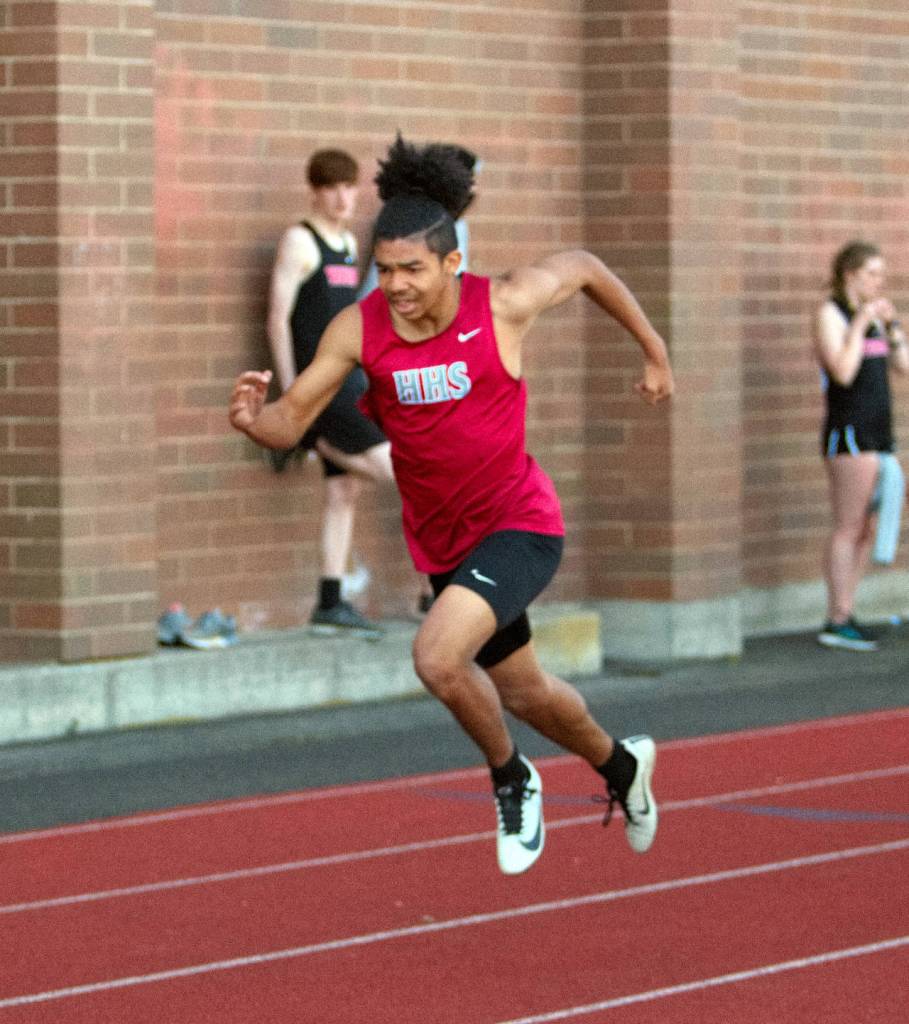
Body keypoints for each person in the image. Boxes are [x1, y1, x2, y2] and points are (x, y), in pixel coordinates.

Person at [232, 137, 674, 875]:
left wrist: (654, 352)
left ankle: (512, 777)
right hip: (443, 542)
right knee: (527, 691)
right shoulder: (358, 329)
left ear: (450, 263)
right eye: (383, 271)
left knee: (437, 659)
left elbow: (587, 269)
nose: (396, 286)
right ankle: (621, 767)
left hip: (518, 524)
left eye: (411, 270)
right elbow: (294, 416)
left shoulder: (501, 304)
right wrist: (256, 420)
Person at [266, 148, 390, 637]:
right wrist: (292, 395)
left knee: (343, 491)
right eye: (333, 188)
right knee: (393, 467)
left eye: (349, 187)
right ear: (315, 192)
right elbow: (277, 319)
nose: (343, 198)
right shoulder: (300, 241)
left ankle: (330, 601)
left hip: (349, 380)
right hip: (319, 386)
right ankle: (311, 438)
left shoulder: (346, 244)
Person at [813, 240, 909, 651]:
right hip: (848, 430)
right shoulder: (830, 314)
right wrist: (860, 322)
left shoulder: (875, 319)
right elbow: (843, 371)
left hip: (877, 430)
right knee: (849, 524)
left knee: (867, 528)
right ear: (849, 274)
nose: (878, 282)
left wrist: (894, 328)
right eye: (871, 273)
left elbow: (904, 367)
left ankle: (847, 609)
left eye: (881, 274)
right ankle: (836, 616)